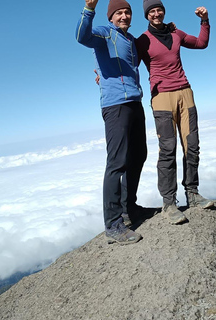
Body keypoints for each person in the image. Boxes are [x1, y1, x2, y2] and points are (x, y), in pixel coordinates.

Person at [76, 0, 148, 244]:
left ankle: (130, 208)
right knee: (116, 163)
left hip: (134, 102)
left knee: (138, 155)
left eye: (127, 12)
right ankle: (113, 224)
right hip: (115, 105)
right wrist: (88, 10)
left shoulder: (130, 40)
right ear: (111, 17)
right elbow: (82, 37)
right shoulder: (105, 34)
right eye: (119, 12)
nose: (124, 15)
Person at [137, 0, 214, 224]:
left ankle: (192, 193)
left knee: (192, 146)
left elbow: (201, 43)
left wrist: (204, 20)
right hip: (161, 98)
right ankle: (169, 203)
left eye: (159, 9)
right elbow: (127, 62)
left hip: (185, 93)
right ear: (147, 15)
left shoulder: (176, 33)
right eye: (151, 11)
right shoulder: (142, 40)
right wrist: (103, 76)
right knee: (167, 149)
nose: (156, 13)